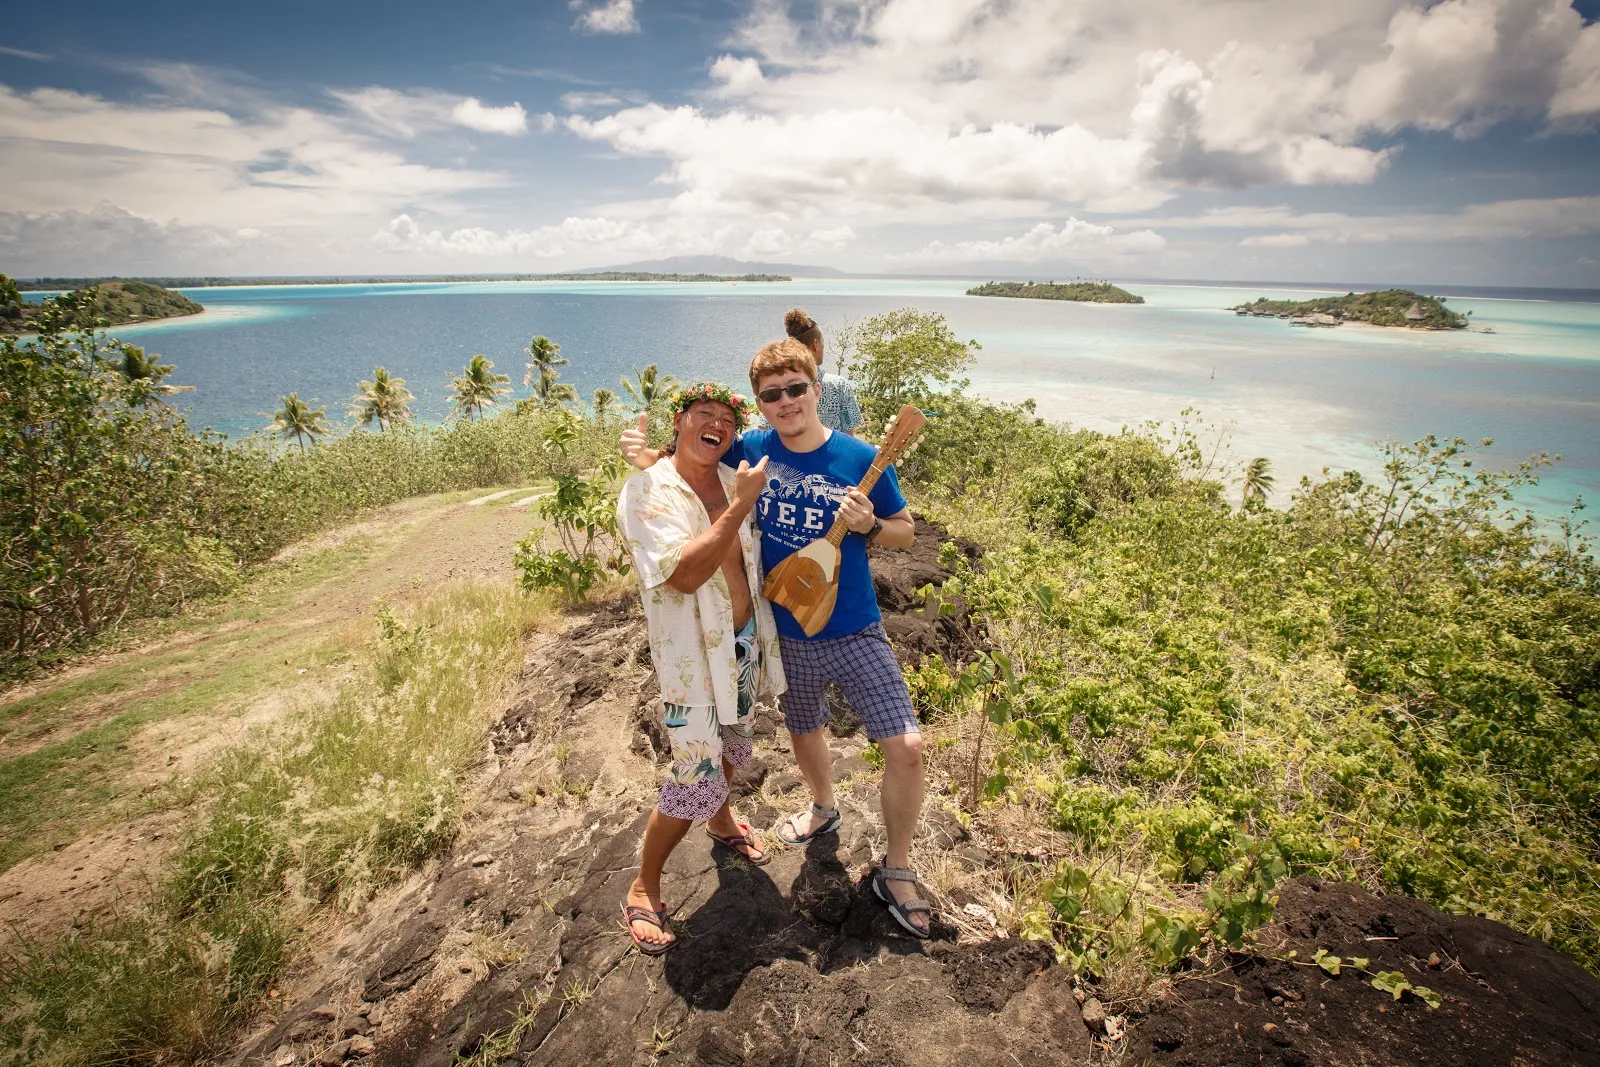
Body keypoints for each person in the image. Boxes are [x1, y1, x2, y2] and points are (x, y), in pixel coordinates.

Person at [621, 340, 932, 937]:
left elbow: (904, 533)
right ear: (760, 406)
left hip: (856, 627)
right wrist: (649, 457)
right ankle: (822, 807)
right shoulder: (753, 447)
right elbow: (696, 459)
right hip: (782, 631)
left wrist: (869, 524)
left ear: (817, 388)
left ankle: (896, 868)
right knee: (803, 728)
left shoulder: (863, 456)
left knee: (907, 746)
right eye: (771, 395)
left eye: (796, 389)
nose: (786, 402)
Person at [615, 381, 787, 955]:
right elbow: (683, 575)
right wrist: (741, 506)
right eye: (702, 414)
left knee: (734, 746)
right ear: (679, 421)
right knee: (693, 773)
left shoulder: (731, 474)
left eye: (726, 419)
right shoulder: (647, 491)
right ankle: (645, 886)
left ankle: (720, 823)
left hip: (740, 645)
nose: (716, 424)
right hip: (690, 661)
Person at [784, 307, 863, 435]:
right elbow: (849, 438)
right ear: (816, 344)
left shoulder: (778, 388)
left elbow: (764, 430)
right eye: (823, 343)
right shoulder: (839, 386)